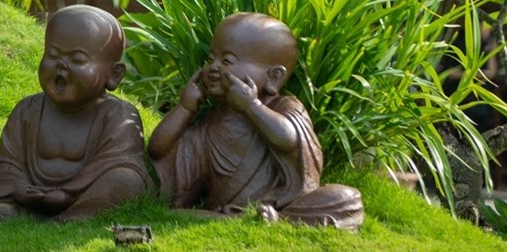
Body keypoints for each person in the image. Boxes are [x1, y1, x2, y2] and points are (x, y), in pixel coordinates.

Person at [148, 12, 364, 230]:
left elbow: (287, 138)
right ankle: (239, 218)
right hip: (223, 206)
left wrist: (252, 106)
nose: (213, 67)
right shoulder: (208, 122)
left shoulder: (284, 107)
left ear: (273, 77)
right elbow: (157, 150)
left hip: (283, 203)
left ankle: (278, 218)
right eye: (210, 59)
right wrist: (184, 108)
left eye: (227, 61)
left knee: (346, 198)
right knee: (159, 188)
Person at [0, 4, 151, 223]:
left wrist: (67, 193)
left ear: (114, 75)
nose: (61, 66)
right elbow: (8, 163)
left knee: (128, 181)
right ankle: (32, 213)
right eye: (52, 55)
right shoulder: (27, 110)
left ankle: (68, 217)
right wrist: (19, 187)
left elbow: (120, 163)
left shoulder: (119, 115)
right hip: (30, 191)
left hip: (85, 194)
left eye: (78, 60)